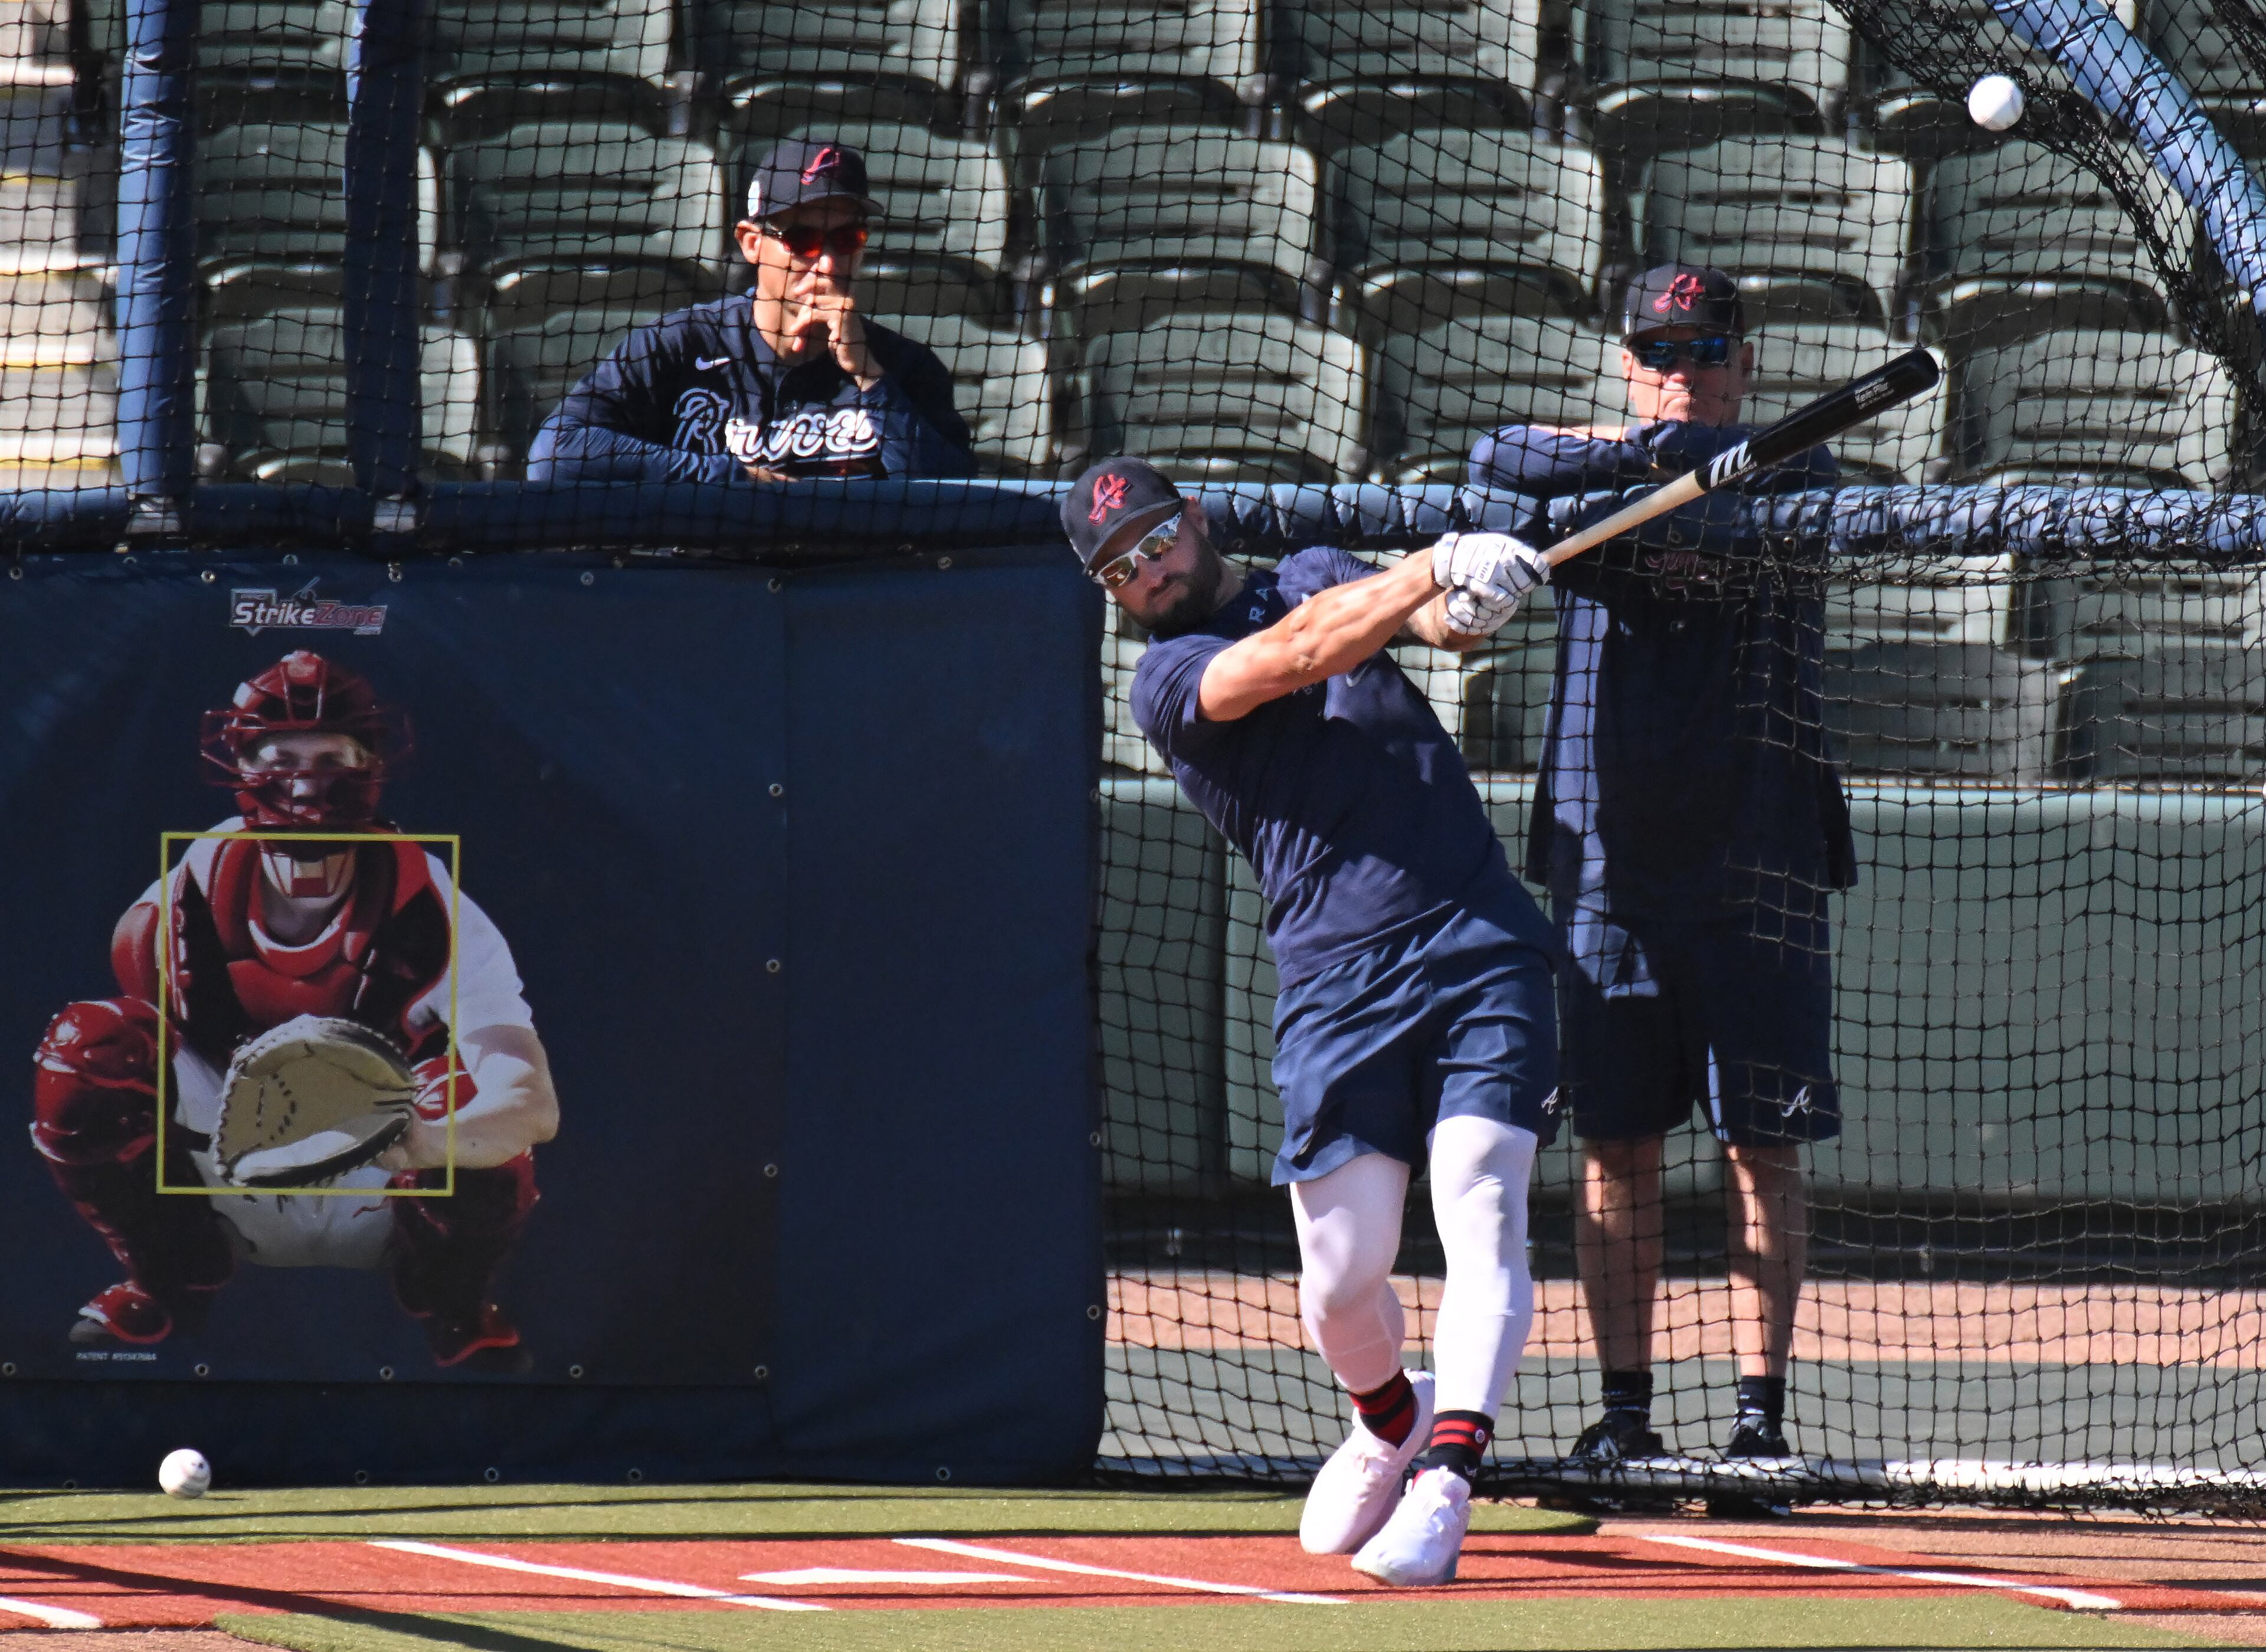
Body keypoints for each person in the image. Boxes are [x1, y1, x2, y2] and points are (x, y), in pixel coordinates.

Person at [1073, 456, 1557, 1585]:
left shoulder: (1316, 568)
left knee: (1483, 1203)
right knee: (1341, 1281)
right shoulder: (1171, 679)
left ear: (1195, 517)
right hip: (1337, 984)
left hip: (1476, 936)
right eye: (1122, 570)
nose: (1148, 572)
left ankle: (1448, 1481)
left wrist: (1473, 596)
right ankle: (1392, 1420)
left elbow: (1433, 628)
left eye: (1156, 541)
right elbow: (1301, 653)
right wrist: (1434, 561)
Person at [1468, 264, 1852, 1507]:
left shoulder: (1799, 473)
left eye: (1706, 349)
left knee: (1764, 1146)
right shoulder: (1598, 474)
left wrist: (1673, 473)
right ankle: (1623, 1423)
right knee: (1616, 1143)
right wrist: (1631, 458)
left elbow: (1777, 504)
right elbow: (1490, 460)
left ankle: (1758, 1429)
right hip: (1606, 862)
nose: (1683, 369)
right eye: (1661, 349)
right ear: (1628, 362)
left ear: (1747, 364)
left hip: (1763, 857)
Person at [30, 650, 559, 1371]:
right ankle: (170, 1273)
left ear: (369, 765)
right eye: (281, 757)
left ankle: (451, 1294)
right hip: (230, 1163)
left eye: (332, 756)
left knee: (475, 1104)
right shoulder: (176, 902)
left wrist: (427, 1140)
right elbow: (137, 1071)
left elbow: (532, 1102)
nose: (307, 782)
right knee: (89, 1048)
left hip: (377, 1167)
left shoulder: (433, 906)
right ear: (245, 771)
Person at [528, 138, 975, 483]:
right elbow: (555, 455)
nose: (828, 263)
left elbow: (953, 500)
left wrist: (870, 380)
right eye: (803, 240)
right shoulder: (677, 347)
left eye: (847, 240)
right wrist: (728, 479)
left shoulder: (903, 367)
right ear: (752, 244)